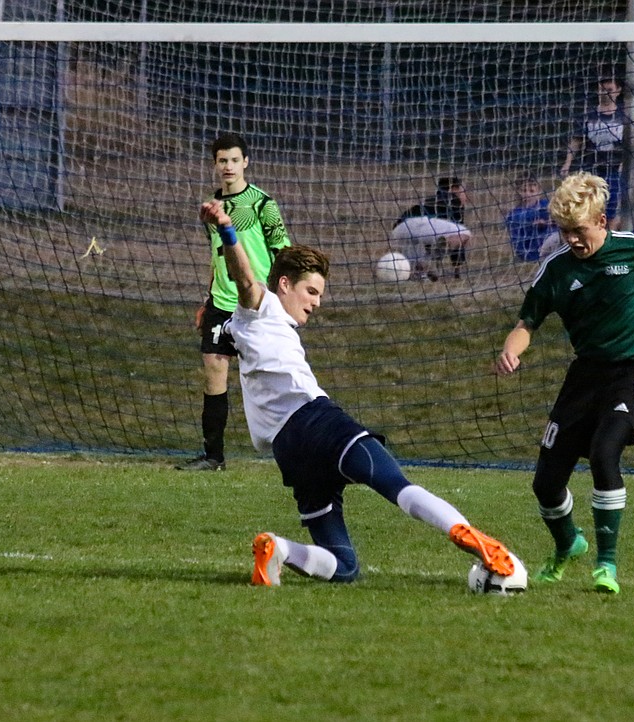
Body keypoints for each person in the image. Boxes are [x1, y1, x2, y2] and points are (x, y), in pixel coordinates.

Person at [198, 199, 517, 586]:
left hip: (288, 450)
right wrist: (227, 229)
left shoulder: (252, 326)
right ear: (283, 284)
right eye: (311, 291)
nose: (317, 303)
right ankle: (477, 543)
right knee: (399, 487)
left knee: (344, 567)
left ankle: (278, 548)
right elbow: (246, 280)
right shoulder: (261, 309)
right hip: (317, 422)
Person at [494, 172, 634, 594]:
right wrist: (512, 350)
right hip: (585, 376)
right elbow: (527, 323)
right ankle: (568, 545)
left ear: (601, 221)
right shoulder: (556, 270)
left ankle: (606, 566)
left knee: (604, 453)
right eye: (565, 231)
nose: (572, 240)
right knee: (545, 482)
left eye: (579, 230)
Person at [177, 133, 292, 472]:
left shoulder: (261, 204)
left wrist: (281, 299)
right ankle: (214, 456)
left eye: (233, 160)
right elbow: (217, 256)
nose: (227, 166)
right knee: (214, 370)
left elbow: (282, 252)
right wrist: (207, 296)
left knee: (274, 376)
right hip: (221, 302)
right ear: (215, 165)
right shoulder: (212, 206)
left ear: (246, 163)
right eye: (221, 160)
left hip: (256, 303)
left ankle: (297, 448)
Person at [560, 76, 628, 228]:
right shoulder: (589, 115)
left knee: (611, 211)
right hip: (591, 170)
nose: (605, 93)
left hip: (615, 170)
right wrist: (568, 163)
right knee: (590, 208)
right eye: (601, 90)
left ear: (618, 91)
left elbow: (629, 145)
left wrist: (624, 166)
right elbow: (577, 140)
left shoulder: (624, 116)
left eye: (609, 90)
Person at [389, 176, 472, 280]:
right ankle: (426, 263)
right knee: (464, 233)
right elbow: (458, 245)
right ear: (453, 189)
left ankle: (419, 269)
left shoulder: (431, 200)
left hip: (400, 228)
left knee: (423, 244)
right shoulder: (454, 202)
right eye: (463, 191)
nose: (466, 196)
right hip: (421, 224)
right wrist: (457, 270)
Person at [504, 176, 552, 262]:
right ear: (518, 192)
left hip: (550, 244)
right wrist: (531, 226)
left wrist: (548, 222)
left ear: (539, 191)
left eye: (532, 191)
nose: (528, 194)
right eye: (524, 191)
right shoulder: (515, 215)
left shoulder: (546, 205)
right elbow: (518, 243)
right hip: (530, 251)